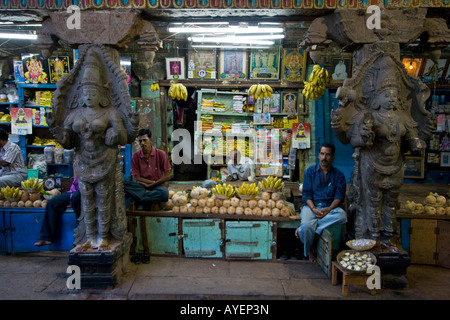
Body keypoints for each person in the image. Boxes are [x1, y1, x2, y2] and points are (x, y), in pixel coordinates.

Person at [295, 143, 347, 262]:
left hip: (329, 208)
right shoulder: (310, 172)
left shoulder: (338, 175)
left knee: (342, 215)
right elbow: (306, 195)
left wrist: (328, 210)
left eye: (328, 155)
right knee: (307, 224)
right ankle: (309, 251)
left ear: (332, 157)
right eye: (322, 154)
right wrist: (313, 209)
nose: (324, 157)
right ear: (318, 155)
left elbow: (339, 197)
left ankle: (305, 229)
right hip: (311, 207)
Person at [124, 128, 171, 209]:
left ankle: (138, 198)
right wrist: (149, 183)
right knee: (123, 184)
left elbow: (167, 176)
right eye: (140, 141)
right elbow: (137, 177)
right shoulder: (135, 156)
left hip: (157, 185)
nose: (142, 143)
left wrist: (153, 184)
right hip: (142, 185)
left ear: (150, 140)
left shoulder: (161, 154)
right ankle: (144, 196)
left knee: (164, 194)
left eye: (145, 140)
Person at [34, 177, 81, 247]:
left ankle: (80, 236)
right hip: (74, 191)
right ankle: (46, 237)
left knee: (75, 198)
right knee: (52, 203)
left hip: (86, 192)